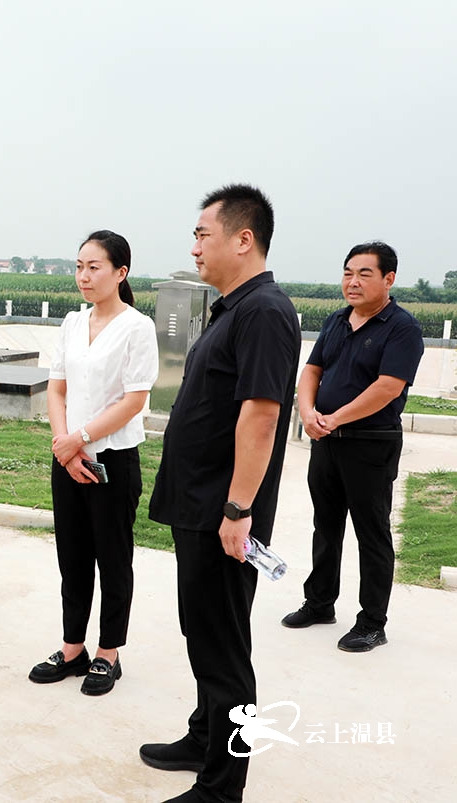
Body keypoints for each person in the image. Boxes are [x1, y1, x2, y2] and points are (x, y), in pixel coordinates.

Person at [142, 185, 300, 803]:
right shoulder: (232, 308)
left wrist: (239, 510)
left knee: (224, 648)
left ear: (244, 238)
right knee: (201, 631)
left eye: (203, 234)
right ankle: (204, 734)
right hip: (202, 504)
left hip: (223, 512)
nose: (194, 246)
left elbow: (261, 415)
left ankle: (222, 786)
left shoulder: (264, 312)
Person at [28, 230, 158, 696]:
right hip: (69, 460)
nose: (84, 276)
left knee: (113, 558)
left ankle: (108, 654)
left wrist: (80, 439)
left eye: (94, 267)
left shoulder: (137, 327)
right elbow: (56, 388)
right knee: (73, 558)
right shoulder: (70, 323)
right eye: (79, 266)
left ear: (121, 273)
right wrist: (64, 445)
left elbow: (134, 400)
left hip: (112, 462)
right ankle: (72, 648)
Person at [282, 242, 423, 652]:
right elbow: (312, 369)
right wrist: (307, 412)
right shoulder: (336, 321)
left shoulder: (402, 328)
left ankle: (371, 622)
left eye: (364, 274)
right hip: (326, 442)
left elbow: (387, 388)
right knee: (326, 526)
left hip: (370, 444)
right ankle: (320, 602)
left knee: (371, 532)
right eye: (348, 273)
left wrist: (334, 418)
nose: (353, 282)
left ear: (388, 279)